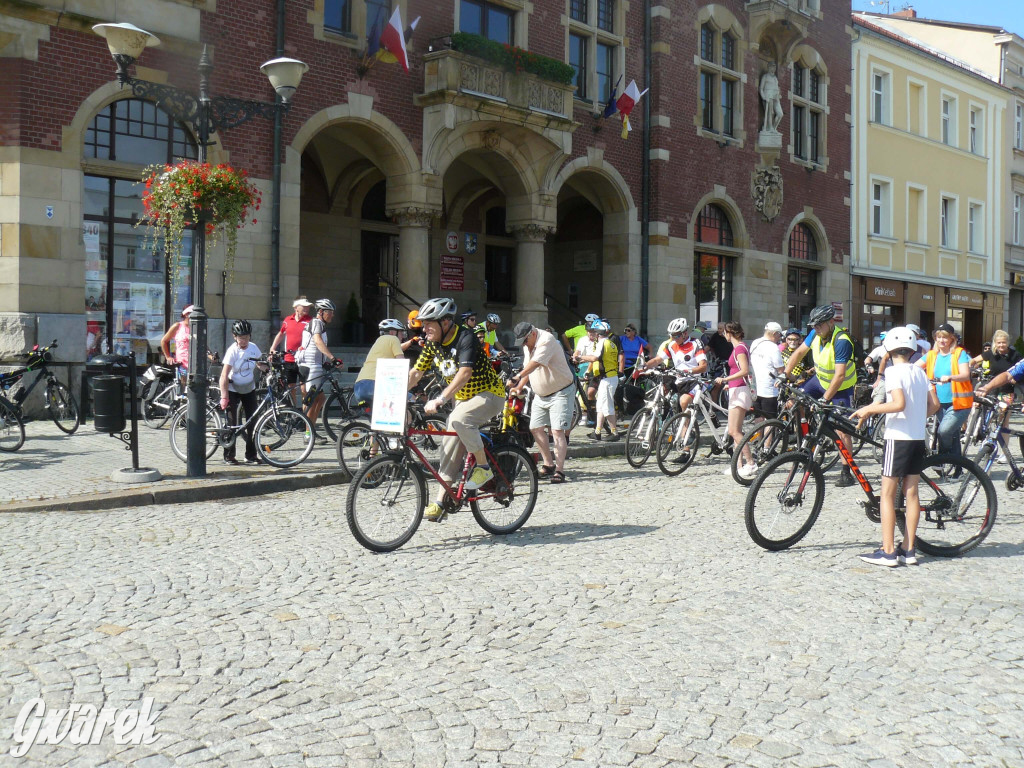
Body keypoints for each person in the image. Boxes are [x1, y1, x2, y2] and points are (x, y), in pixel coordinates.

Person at [407, 298, 507, 522]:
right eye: (423, 324)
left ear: (445, 322)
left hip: (489, 394)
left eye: (428, 324)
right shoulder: (432, 343)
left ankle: (483, 467)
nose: (424, 329)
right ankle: (442, 501)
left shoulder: (466, 336)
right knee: (449, 447)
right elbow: (416, 372)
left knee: (460, 420)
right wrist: (393, 393)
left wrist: (440, 399)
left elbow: (464, 373)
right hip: (463, 399)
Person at [852, 327, 939, 567]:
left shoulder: (892, 372)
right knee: (911, 493)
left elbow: (898, 404)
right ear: (912, 350)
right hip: (916, 437)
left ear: (888, 350)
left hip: (897, 437)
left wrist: (869, 409)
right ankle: (908, 549)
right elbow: (935, 404)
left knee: (888, 496)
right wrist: (918, 418)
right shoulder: (920, 373)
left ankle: (888, 551)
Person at [784, 304, 859, 487]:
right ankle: (808, 434)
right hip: (820, 381)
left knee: (842, 431)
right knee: (793, 402)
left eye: (820, 325)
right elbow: (800, 352)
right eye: (814, 326)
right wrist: (786, 373)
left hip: (841, 387)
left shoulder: (841, 340)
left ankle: (846, 471)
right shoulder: (815, 334)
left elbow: (840, 375)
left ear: (831, 322)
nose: (816, 329)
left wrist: (825, 399)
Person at [510, 322, 575, 484]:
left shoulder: (547, 340)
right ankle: (549, 464)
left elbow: (536, 363)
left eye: (525, 341)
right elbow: (529, 368)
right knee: (535, 428)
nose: (524, 345)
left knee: (557, 430)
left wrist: (517, 377)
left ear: (532, 334)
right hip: (541, 395)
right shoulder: (528, 344)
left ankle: (559, 471)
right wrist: (519, 387)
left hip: (561, 391)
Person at [917, 323, 972, 462]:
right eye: (939, 337)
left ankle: (943, 456)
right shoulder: (931, 355)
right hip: (939, 403)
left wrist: (951, 377)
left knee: (944, 431)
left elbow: (965, 374)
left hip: (958, 403)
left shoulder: (959, 353)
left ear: (952, 339)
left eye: (945, 338)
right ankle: (957, 467)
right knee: (951, 435)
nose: (941, 340)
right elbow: (914, 368)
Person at [219, 320, 263, 465]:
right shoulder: (232, 351)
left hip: (248, 388)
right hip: (233, 388)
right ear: (235, 336)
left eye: (246, 337)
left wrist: (269, 368)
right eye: (241, 337)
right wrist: (224, 396)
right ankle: (229, 455)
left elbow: (259, 364)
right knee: (233, 423)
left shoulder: (253, 348)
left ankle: (250, 455)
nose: (244, 340)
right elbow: (224, 375)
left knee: (253, 421)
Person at [714, 322, 756, 478]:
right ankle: (737, 466)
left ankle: (750, 463)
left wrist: (726, 379)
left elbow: (744, 371)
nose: (724, 335)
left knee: (734, 431)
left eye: (725, 332)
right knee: (735, 431)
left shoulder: (739, 348)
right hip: (736, 389)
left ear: (729, 332)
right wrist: (730, 383)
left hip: (740, 391)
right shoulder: (740, 347)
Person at [297, 298, 341, 441]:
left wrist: (324, 363)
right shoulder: (317, 323)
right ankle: (308, 434)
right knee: (313, 400)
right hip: (311, 366)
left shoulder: (317, 324)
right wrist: (332, 358)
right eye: (330, 312)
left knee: (319, 399)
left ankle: (310, 430)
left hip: (310, 364)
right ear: (321, 312)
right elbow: (317, 341)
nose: (332, 315)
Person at [575, 321, 620, 441]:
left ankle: (614, 433)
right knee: (601, 406)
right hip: (608, 377)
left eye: (595, 331)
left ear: (599, 332)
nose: (593, 333)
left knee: (607, 407)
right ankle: (598, 432)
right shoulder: (611, 343)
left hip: (607, 378)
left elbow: (594, 358)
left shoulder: (602, 343)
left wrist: (580, 357)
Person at [269, 297, 312, 405]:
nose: (307, 308)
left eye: (308, 306)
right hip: (289, 359)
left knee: (304, 389)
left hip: (304, 360)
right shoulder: (288, 320)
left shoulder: (310, 321)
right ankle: (293, 414)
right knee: (291, 388)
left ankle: (305, 415)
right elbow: (281, 334)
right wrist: (273, 348)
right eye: (304, 306)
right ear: (296, 308)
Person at [353, 319, 406, 407]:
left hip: (359, 387)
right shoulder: (393, 339)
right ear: (393, 332)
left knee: (378, 419)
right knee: (410, 399)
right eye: (401, 333)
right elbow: (401, 363)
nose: (402, 336)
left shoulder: (378, 341)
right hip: (375, 384)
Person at [749, 322, 785, 420]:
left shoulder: (755, 342)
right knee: (770, 420)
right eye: (780, 335)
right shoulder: (773, 347)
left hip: (755, 387)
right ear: (775, 333)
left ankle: (759, 436)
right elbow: (781, 369)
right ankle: (769, 436)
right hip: (769, 388)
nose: (780, 338)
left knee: (758, 418)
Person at [160, 305, 195, 382]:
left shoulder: (196, 327)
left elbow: (203, 345)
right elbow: (164, 341)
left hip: (195, 363)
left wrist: (211, 356)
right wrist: (168, 357)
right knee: (183, 386)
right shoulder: (178, 326)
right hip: (182, 362)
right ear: (186, 314)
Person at [759, 62, 783, 134]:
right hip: (768, 95)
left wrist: (778, 94)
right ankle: (770, 128)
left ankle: (774, 127)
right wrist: (763, 97)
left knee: (780, 114)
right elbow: (761, 88)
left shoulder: (775, 78)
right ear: (769, 67)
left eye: (775, 67)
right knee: (770, 112)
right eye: (772, 67)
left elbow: (777, 88)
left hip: (775, 97)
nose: (774, 68)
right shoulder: (765, 76)